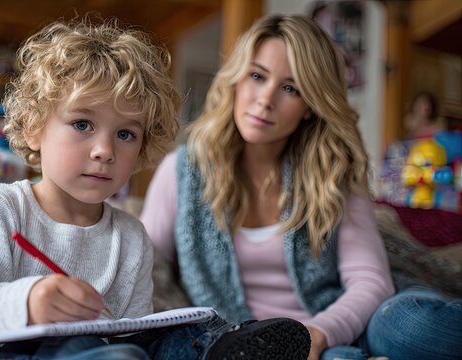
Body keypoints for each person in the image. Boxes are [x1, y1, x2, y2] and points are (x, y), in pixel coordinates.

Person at [0, 17, 311, 360]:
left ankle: (218, 348)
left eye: (126, 134)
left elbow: (130, 333)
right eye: (82, 124)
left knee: (172, 337)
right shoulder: (2, 207)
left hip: (107, 351)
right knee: (74, 348)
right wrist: (26, 301)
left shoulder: (130, 237)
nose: (104, 151)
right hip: (2, 354)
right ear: (33, 126)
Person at [141, 14, 462, 360]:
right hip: (252, 348)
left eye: (290, 88)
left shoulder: (331, 174)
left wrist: (319, 334)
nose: (265, 99)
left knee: (411, 326)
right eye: (257, 76)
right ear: (236, 79)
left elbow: (371, 282)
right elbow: (143, 267)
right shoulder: (183, 171)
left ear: (310, 106)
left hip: (345, 329)